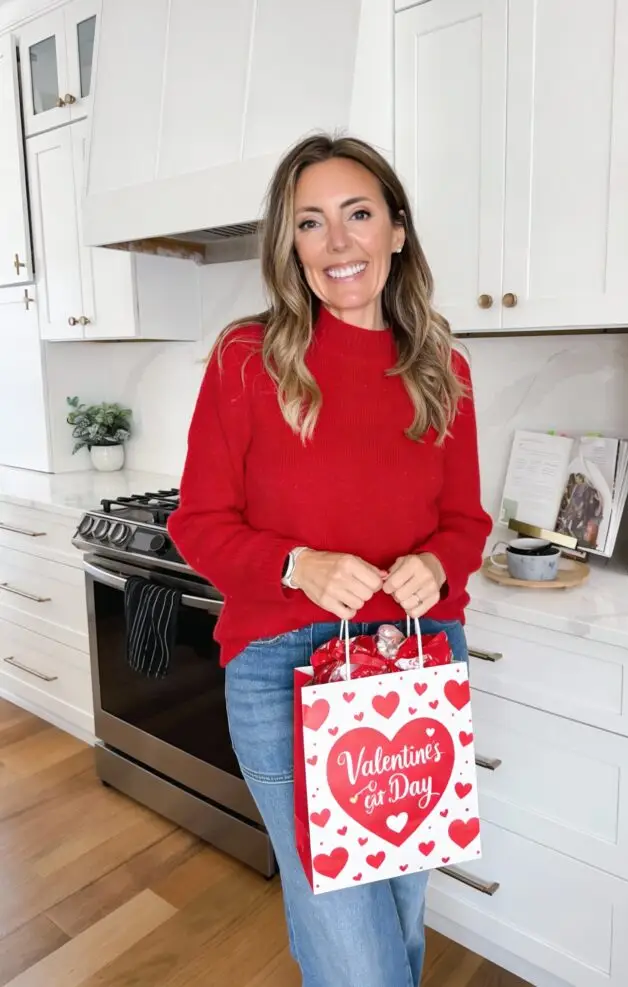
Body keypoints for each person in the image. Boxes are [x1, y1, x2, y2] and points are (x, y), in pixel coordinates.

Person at [168, 133, 492, 987]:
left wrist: (440, 562)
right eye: (311, 223)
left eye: (358, 215)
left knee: (399, 923)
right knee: (358, 955)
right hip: (284, 671)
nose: (338, 242)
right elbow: (197, 523)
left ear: (397, 229)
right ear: (291, 245)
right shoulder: (249, 358)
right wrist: (295, 566)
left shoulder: (442, 370)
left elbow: (466, 522)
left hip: (417, 667)